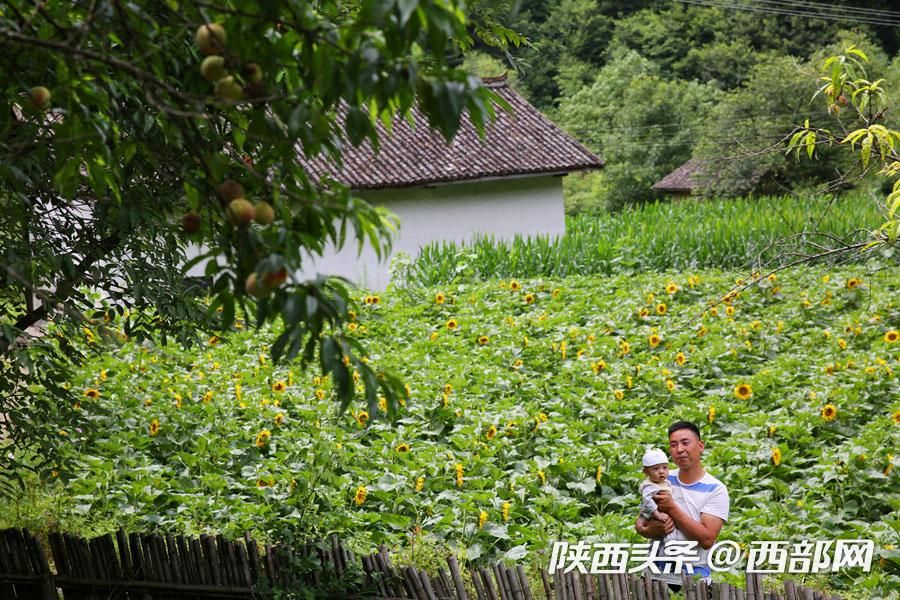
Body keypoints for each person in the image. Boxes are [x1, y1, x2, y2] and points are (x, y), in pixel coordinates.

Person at [634, 421, 729, 585]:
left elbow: (707, 540)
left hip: (693, 580)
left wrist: (672, 508)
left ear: (700, 446)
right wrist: (646, 529)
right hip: (654, 576)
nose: (679, 449)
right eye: (673, 445)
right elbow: (643, 517)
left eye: (685, 443)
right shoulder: (661, 477)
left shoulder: (715, 489)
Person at [638, 448, 674, 524]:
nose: (661, 472)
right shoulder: (649, 486)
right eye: (656, 469)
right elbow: (648, 501)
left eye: (665, 467)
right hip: (653, 516)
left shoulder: (666, 482)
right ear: (646, 472)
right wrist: (657, 515)